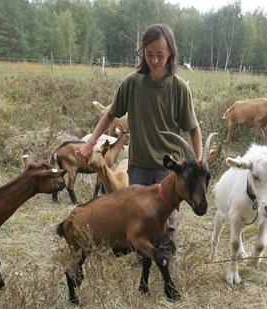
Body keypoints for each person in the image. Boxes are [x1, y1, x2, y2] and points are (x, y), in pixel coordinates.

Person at [77, 23, 203, 259]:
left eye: (160, 55)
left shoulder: (179, 88)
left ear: (170, 54)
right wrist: (90, 143)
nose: (154, 60)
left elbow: (194, 129)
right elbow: (110, 114)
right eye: (149, 54)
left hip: (168, 169)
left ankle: (167, 256)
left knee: (169, 215)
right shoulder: (132, 83)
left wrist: (197, 161)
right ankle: (142, 257)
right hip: (139, 164)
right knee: (139, 214)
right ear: (143, 53)